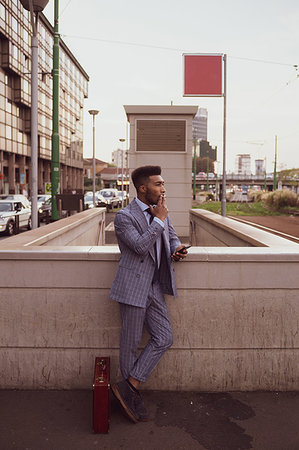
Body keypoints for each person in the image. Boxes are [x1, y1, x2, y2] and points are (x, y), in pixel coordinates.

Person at [110, 165, 188, 423]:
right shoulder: (124, 217)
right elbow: (141, 247)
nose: (163, 189)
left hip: (154, 286)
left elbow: (172, 237)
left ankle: (129, 385)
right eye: (158, 184)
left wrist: (177, 248)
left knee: (164, 337)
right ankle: (129, 397)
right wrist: (159, 220)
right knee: (130, 344)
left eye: (163, 184)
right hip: (133, 286)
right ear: (143, 188)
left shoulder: (161, 214)